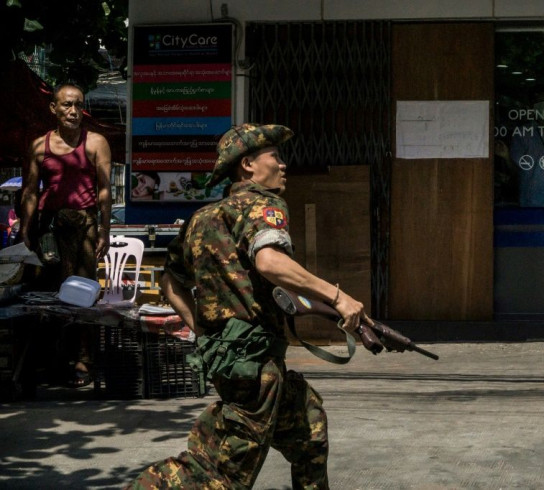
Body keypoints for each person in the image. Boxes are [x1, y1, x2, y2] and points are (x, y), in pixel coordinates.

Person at [127, 123, 370, 489]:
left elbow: (170, 284)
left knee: (309, 427)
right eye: (275, 156)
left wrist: (205, 333)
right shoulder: (263, 204)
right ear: (247, 166)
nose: (283, 164)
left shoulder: (202, 219)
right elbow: (270, 262)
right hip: (254, 366)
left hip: (240, 359)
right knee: (219, 473)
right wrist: (338, 296)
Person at [21, 82, 112, 386]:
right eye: (67, 105)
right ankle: (53, 358)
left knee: (83, 293)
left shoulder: (96, 142)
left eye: (78, 105)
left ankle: (84, 360)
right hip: (50, 228)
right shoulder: (39, 146)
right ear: (54, 109)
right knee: (50, 295)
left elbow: (104, 190)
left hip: (85, 225)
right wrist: (26, 226)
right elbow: (31, 191)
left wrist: (104, 230)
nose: (73, 111)